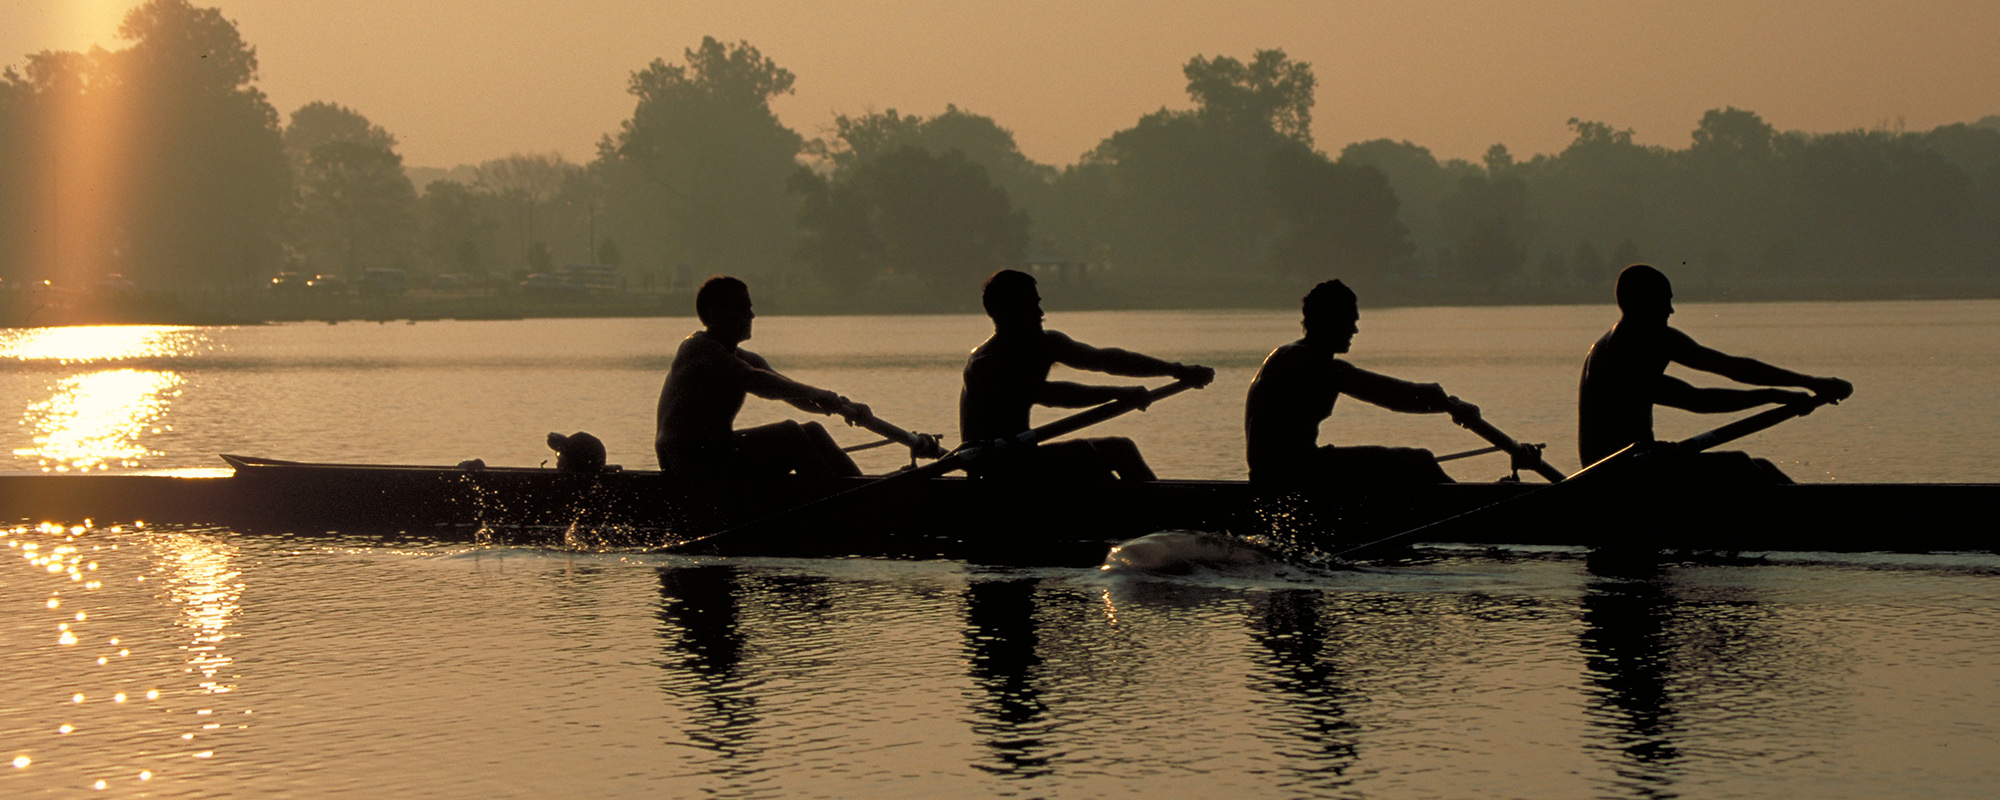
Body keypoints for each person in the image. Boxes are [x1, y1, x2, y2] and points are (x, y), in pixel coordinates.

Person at [1578, 264, 1852, 478]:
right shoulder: (1616, 357)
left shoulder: (1660, 338)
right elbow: (1695, 400)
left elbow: (1731, 366)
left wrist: (1812, 382)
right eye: (1664, 302)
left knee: (1762, 467)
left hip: (1645, 459)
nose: (1671, 310)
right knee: (1740, 467)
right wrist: (1774, 396)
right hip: (1610, 473)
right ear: (1640, 304)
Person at [960, 269, 1214, 481]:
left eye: (1038, 304)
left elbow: (1105, 360)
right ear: (1006, 312)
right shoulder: (987, 363)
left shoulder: (1045, 343)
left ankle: (1164, 516)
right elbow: (1049, 394)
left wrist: (1177, 370)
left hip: (1024, 456)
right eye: (1031, 306)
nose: (1041, 314)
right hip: (992, 469)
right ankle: (1135, 521)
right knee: (1083, 454)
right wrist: (1118, 393)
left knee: (1121, 448)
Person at [1245, 279, 1480, 486]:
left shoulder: (1284, 355)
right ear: (1329, 322)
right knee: (1419, 461)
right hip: (1289, 475)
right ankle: (1475, 511)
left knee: (1403, 465)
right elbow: (1397, 396)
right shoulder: (1312, 364)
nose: (1355, 330)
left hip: (1277, 474)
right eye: (1349, 321)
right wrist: (1450, 405)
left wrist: (1447, 403)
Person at [656, 276, 868, 481]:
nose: (752, 316)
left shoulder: (745, 359)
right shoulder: (698, 347)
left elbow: (793, 394)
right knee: (789, 434)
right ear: (714, 314)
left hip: (716, 452)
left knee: (813, 430)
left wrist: (842, 406)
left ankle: (863, 492)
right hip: (684, 459)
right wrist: (814, 393)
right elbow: (756, 381)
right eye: (742, 308)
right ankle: (841, 506)